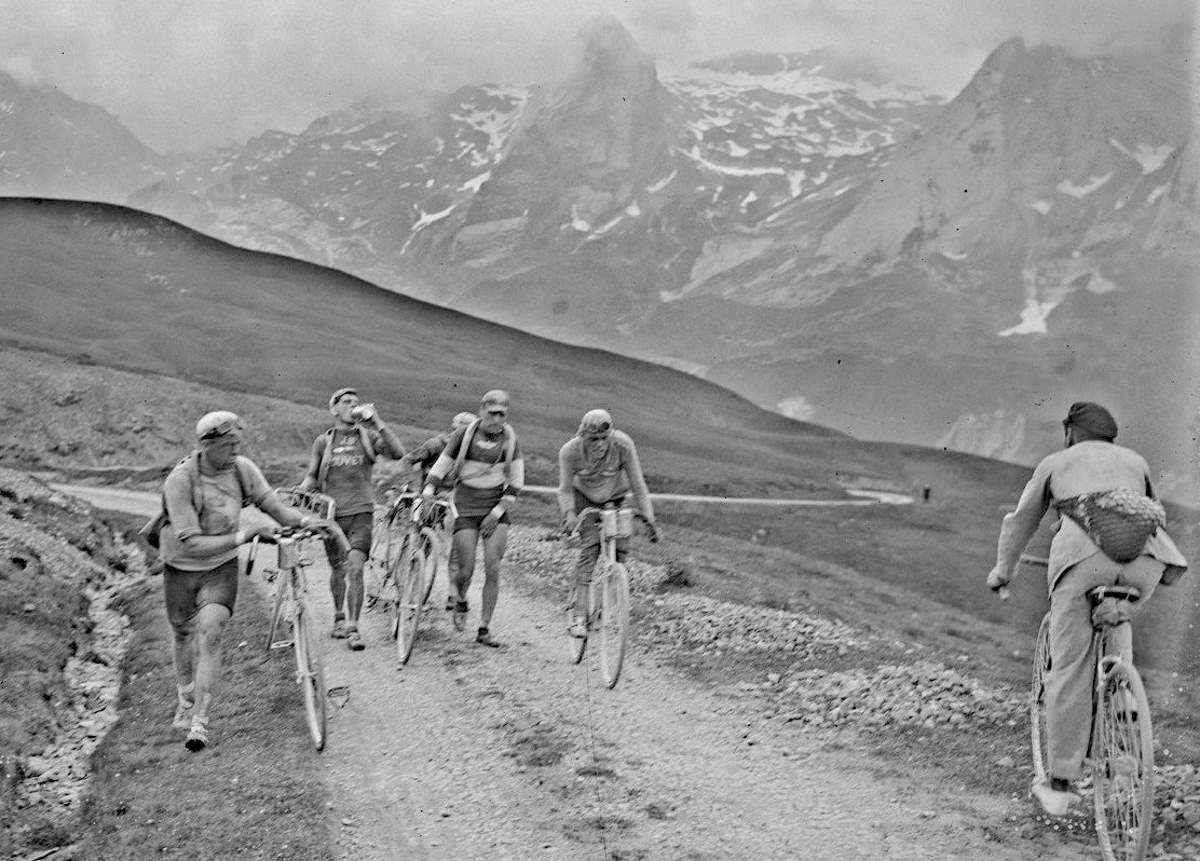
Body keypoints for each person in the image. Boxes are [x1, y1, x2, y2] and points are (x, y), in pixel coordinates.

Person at [986, 401, 1187, 816]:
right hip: (1145, 562)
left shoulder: (1057, 461)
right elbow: (1148, 512)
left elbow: (1021, 521)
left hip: (1082, 562)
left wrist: (1003, 572)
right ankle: (1123, 720)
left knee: (1071, 666)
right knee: (1117, 622)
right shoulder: (1135, 460)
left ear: (1070, 433)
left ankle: (1059, 783)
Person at [158, 411, 323, 752]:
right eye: (227, 445)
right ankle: (185, 694)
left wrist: (308, 521)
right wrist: (245, 535)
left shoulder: (243, 470)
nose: (235, 452)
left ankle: (200, 721)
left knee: (212, 633)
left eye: (238, 444)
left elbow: (274, 507)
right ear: (206, 446)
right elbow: (190, 541)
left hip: (220, 567)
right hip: (181, 565)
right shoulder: (180, 480)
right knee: (182, 633)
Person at [299, 387, 406, 651]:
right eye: (346, 402)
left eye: (355, 403)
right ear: (334, 409)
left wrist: (377, 421)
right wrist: (303, 489)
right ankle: (337, 617)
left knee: (355, 568)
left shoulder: (369, 436)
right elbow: (313, 474)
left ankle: (353, 627)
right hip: (332, 515)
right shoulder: (323, 442)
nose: (352, 406)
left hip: (361, 512)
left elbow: (398, 452)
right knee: (338, 570)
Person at [423, 390, 524, 647]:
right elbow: (442, 465)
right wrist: (428, 490)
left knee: (493, 567)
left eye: (502, 414)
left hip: (495, 509)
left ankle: (484, 627)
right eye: (492, 413)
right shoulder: (463, 435)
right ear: (482, 410)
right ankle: (461, 599)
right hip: (465, 507)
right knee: (465, 569)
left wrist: (496, 513)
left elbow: (516, 484)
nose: (496, 419)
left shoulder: (511, 440)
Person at [557, 408, 659, 638]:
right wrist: (569, 514)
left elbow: (638, 485)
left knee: (620, 553)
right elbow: (564, 490)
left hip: (615, 498)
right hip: (584, 499)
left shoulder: (623, 445)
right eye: (594, 439)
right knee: (590, 548)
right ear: (582, 436)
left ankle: (604, 608)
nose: (600, 444)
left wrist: (649, 519)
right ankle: (579, 616)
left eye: (605, 438)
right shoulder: (569, 452)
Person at [398, 411, 476, 610]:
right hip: (426, 497)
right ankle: (409, 593)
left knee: (455, 547)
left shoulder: (470, 452)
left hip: (450, 501)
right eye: (463, 426)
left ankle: (452, 593)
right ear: (454, 428)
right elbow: (408, 460)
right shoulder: (436, 445)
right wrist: (415, 486)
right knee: (421, 545)